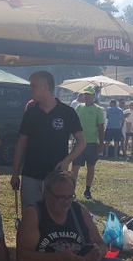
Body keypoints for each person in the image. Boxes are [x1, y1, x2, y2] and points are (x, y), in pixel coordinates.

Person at [11, 70, 86, 208]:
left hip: (56, 176)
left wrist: (66, 161)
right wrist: (15, 173)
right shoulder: (31, 113)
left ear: (45, 87)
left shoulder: (67, 112)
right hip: (31, 174)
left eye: (34, 86)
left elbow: (82, 142)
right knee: (31, 213)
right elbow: (21, 144)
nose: (30, 90)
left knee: (54, 214)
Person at [72, 86, 104, 200]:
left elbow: (101, 127)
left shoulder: (98, 110)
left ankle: (88, 189)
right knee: (75, 167)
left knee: (90, 166)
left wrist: (101, 144)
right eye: (85, 95)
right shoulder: (79, 107)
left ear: (93, 96)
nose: (86, 97)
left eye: (89, 95)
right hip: (79, 142)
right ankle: (72, 190)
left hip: (91, 143)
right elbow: (74, 123)